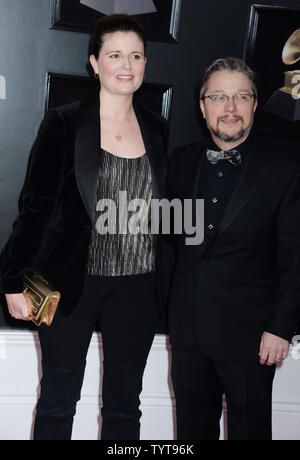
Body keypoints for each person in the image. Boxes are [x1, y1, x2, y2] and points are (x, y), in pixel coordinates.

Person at [0, 14, 168, 440]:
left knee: (125, 406)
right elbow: (35, 207)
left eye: (135, 55)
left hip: (137, 285)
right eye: (115, 55)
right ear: (95, 62)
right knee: (58, 398)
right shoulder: (64, 121)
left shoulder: (157, 127)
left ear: (146, 63)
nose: (126, 64)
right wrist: (13, 279)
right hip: (69, 281)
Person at [167, 57, 300, 440]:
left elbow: (295, 259)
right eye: (219, 97)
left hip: (252, 337)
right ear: (203, 105)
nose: (230, 108)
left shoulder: (285, 170)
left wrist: (280, 328)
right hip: (189, 330)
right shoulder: (181, 162)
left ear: (255, 104)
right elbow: (167, 239)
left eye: (241, 97)